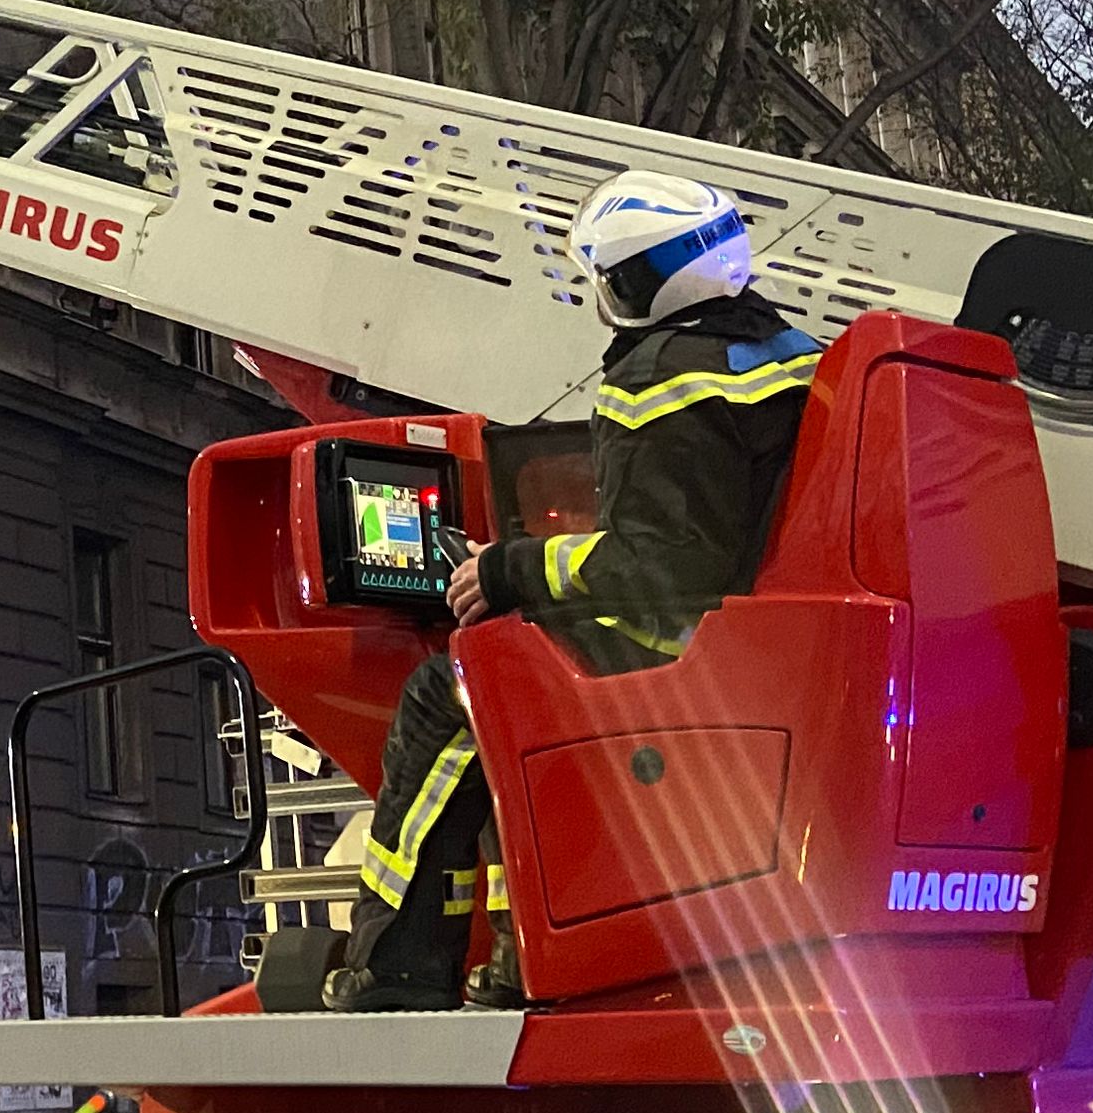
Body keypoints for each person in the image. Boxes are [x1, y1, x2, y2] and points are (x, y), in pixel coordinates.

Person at [339, 172, 825, 1011]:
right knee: (510, 685)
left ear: (633, 285)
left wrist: (508, 571)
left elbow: (664, 568)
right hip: (761, 650)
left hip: (683, 655)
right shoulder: (788, 352)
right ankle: (518, 964)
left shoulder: (658, 378)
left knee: (454, 689)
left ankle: (397, 969)